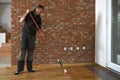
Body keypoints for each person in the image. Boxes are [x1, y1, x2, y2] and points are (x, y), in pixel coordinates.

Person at [14, 4, 44, 75]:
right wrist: (26, 13)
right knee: (22, 51)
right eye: (41, 11)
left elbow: (39, 28)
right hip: (24, 34)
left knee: (31, 52)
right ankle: (19, 69)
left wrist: (41, 32)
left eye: (42, 11)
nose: (41, 12)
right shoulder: (29, 13)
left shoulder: (39, 18)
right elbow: (21, 21)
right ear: (37, 9)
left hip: (32, 36)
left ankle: (29, 69)